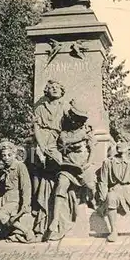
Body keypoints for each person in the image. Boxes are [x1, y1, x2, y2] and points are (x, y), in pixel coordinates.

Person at [48, 99, 96, 241]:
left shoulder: (87, 132)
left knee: (92, 186)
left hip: (84, 166)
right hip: (68, 166)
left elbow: (92, 149)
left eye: (80, 120)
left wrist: (89, 163)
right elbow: (63, 142)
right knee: (61, 185)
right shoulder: (66, 133)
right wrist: (81, 136)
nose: (77, 122)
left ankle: (94, 204)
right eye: (75, 119)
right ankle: (55, 220)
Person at [32, 80, 68, 239]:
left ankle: (58, 219)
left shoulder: (65, 108)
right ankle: (40, 214)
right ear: (47, 91)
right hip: (43, 140)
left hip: (59, 142)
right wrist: (40, 147)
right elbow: (37, 128)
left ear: (62, 91)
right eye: (51, 87)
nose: (54, 89)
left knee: (59, 173)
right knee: (38, 175)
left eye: (57, 87)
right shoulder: (40, 108)